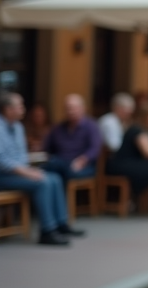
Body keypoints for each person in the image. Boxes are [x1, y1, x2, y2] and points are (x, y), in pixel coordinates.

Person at [0, 92, 83, 244]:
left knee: (54, 178)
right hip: (4, 176)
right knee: (43, 182)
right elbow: (3, 161)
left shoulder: (18, 127)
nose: (23, 109)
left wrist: (31, 170)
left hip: (19, 172)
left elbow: (21, 155)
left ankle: (61, 224)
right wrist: (28, 173)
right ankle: (47, 230)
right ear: (8, 109)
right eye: (20, 106)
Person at [42, 94, 102, 189]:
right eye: (68, 108)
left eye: (74, 108)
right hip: (60, 163)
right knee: (46, 171)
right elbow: (47, 148)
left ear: (83, 109)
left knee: (67, 172)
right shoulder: (57, 128)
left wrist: (82, 161)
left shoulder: (91, 126)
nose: (71, 111)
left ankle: (65, 198)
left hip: (83, 164)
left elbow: (95, 149)